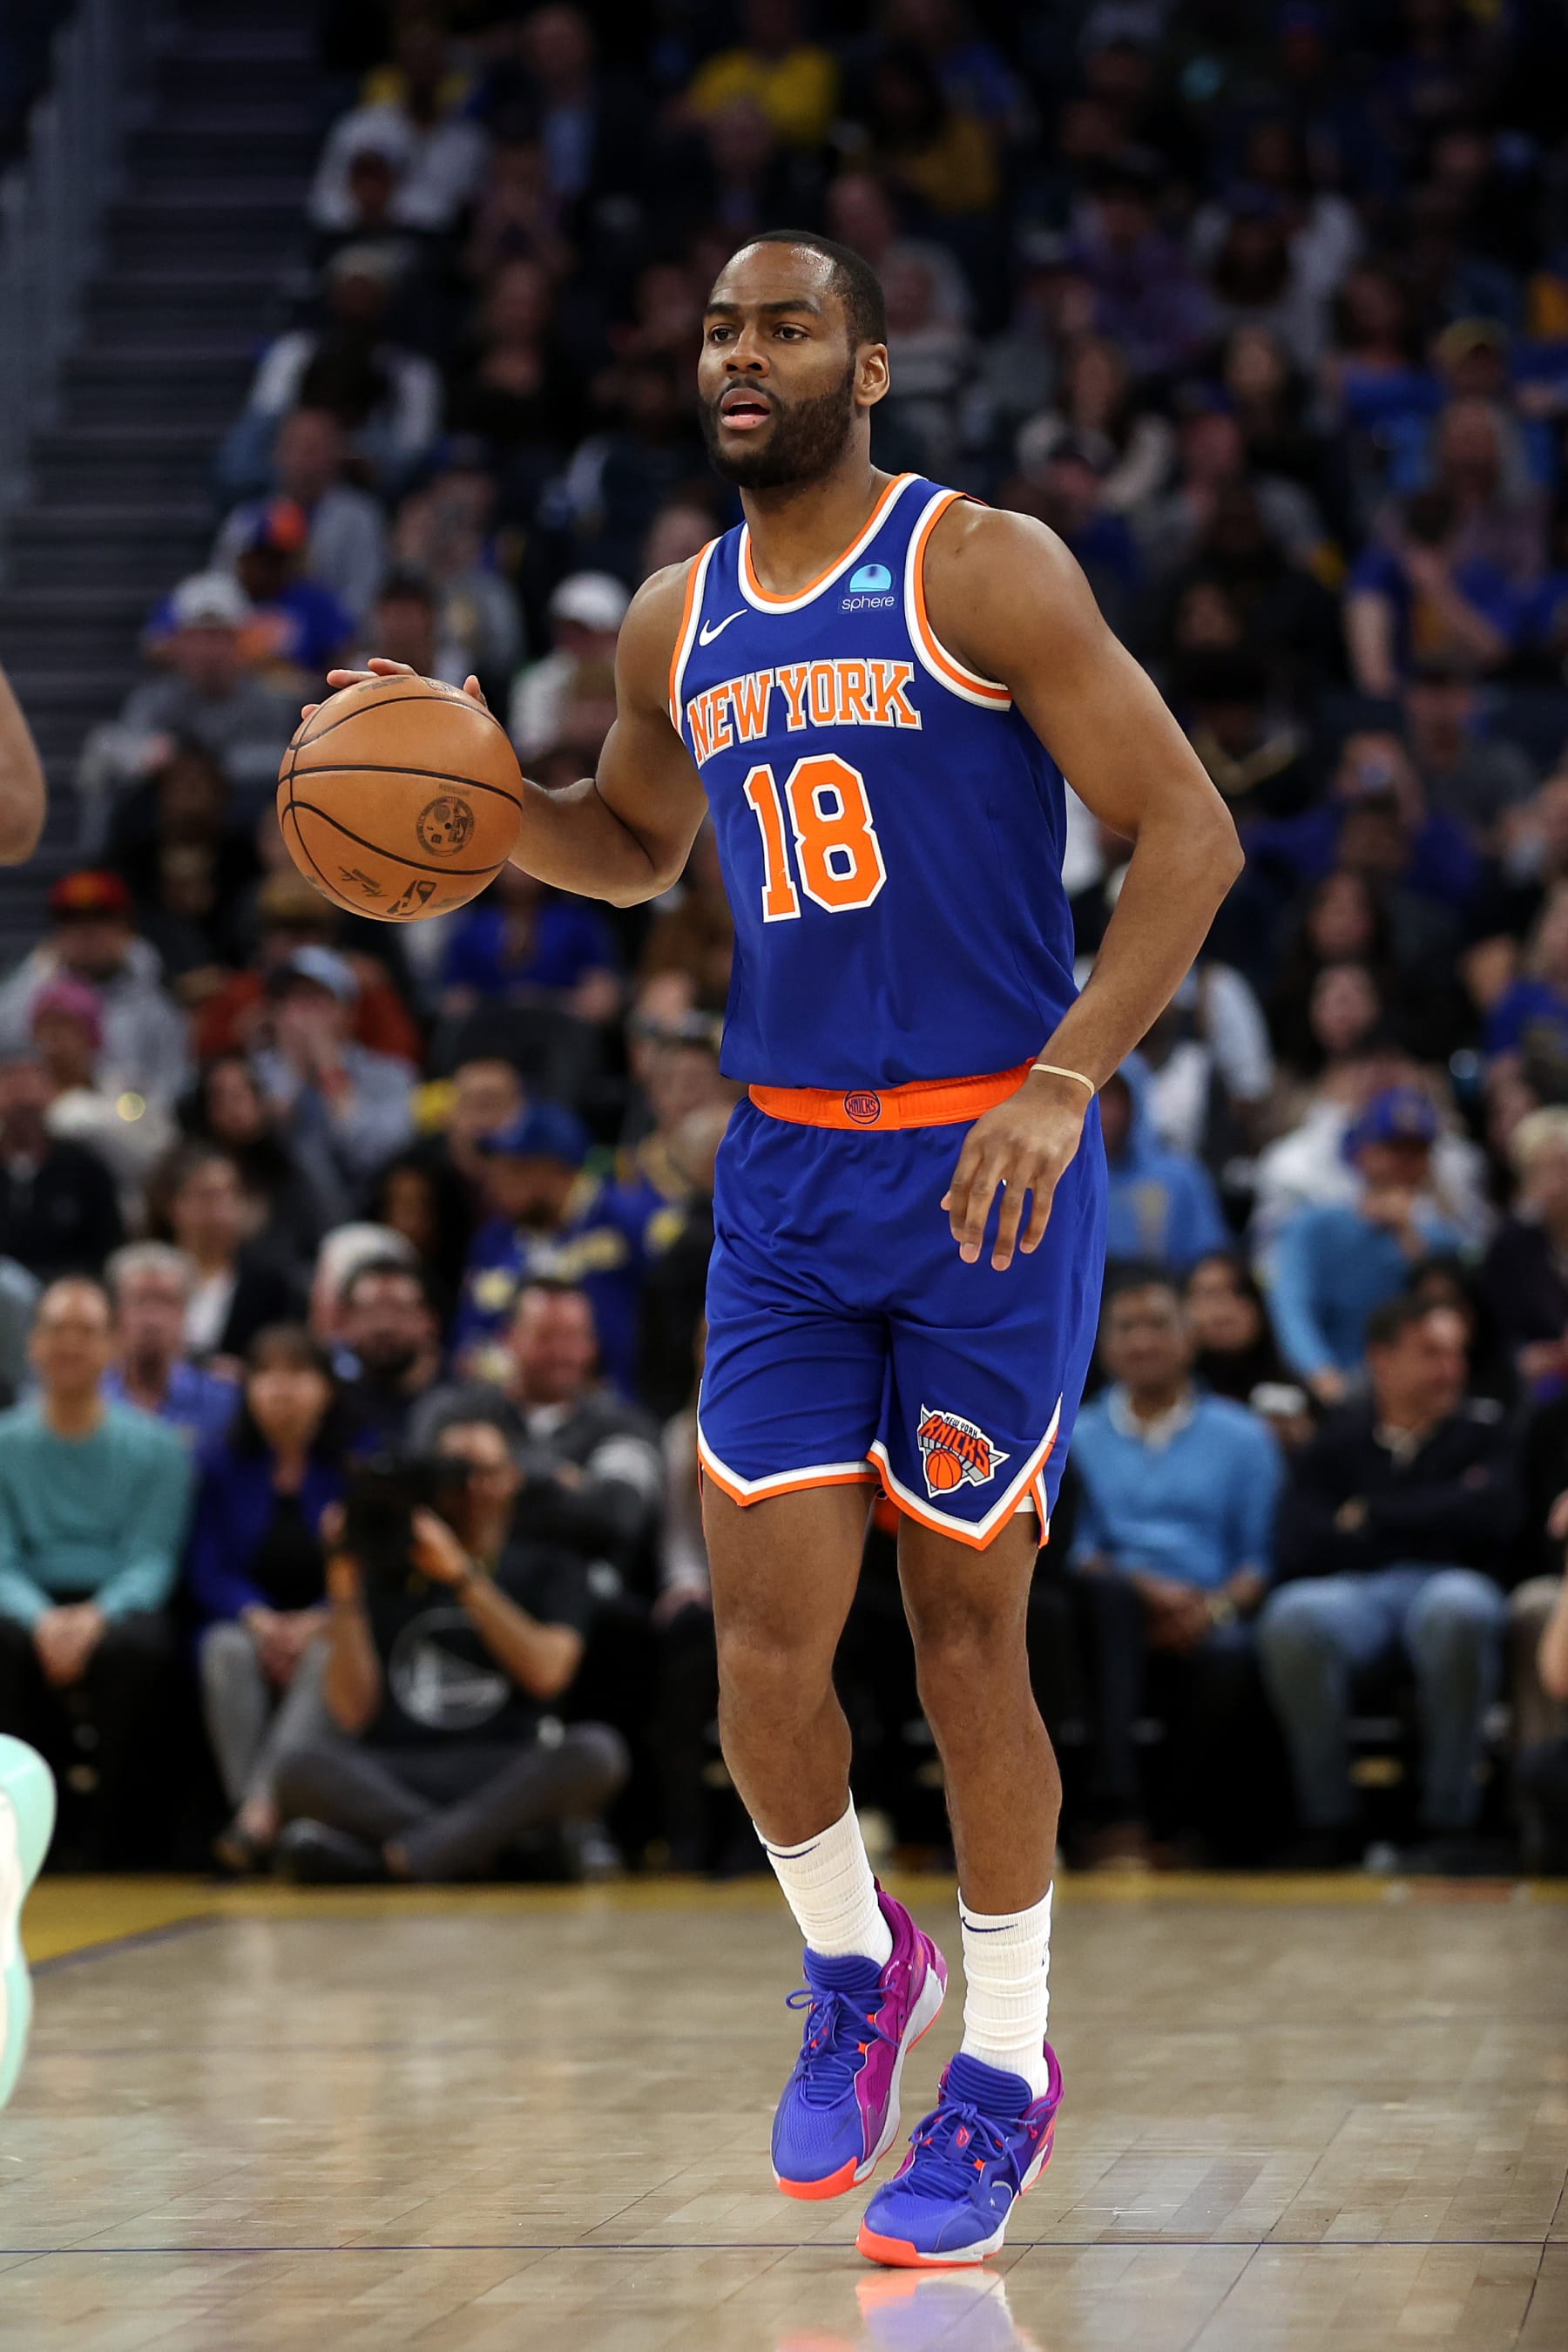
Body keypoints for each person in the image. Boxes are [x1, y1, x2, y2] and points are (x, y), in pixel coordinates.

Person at [312, 228, 1240, 2267]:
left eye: (788, 326)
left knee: (966, 1637)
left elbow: (1191, 832)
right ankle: (855, 1958)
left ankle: (1006, 2064)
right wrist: (472, 796)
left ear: (870, 365)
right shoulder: (676, 615)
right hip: (792, 1180)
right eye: (722, 328)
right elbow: (633, 844)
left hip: (991, 1165)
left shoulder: (982, 568)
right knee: (757, 1645)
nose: (744, 355)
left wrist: (1066, 1078)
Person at [273, 1415, 627, 1882]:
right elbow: (352, 1712)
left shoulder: (551, 1562)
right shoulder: (387, 1557)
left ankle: (388, 1860)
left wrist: (463, 1577)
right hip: (399, 1767)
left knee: (597, 1752)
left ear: (513, 1478)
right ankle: (486, 1854)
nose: (470, 1488)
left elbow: (547, 1673)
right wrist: (345, 1590)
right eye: (455, 1473)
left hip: (505, 1767)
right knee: (297, 1768)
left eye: (485, 1472)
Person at [1257, 1296, 1516, 1869]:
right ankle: (1329, 1820)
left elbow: (1496, 1521)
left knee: (1458, 1609)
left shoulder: (1486, 1432)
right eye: (1432, 1353)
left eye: (1457, 1354)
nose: (1451, 1369)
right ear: (1382, 1358)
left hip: (1452, 1582)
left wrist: (1371, 1513)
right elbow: (1300, 1540)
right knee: (1293, 1615)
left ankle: (1450, 1820)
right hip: (1359, 1592)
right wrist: (1441, 1508)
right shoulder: (1339, 1437)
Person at [1068, 1273, 1283, 1867]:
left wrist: (1208, 1609)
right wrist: (1145, 1591)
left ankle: (1178, 1827)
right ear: (1103, 1345)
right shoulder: (1075, 1436)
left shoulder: (1245, 1437)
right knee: (1105, 1606)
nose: (1143, 1342)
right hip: (1110, 1603)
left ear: (1190, 1336)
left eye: (1159, 1325)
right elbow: (1074, 1549)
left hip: (1210, 1607)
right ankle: (1115, 1812)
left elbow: (1259, 1558)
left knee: (1230, 1655)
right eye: (1126, 1328)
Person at [0, 1279, 193, 1866]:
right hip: (27, 1597)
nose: (70, 1344)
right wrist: (42, 1620)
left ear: (111, 1346)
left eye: (86, 1331)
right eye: (57, 1329)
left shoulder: (159, 1448)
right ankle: (26, 1830)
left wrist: (95, 1618)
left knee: (139, 1651)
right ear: (33, 1344)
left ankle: (118, 1837)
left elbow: (153, 1557)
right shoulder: (5, 1444)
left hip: (117, 1601)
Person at [188, 1327, 346, 1872]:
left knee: (329, 1655)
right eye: (267, 1374)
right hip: (244, 1621)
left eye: (298, 1373)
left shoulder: (354, 1465)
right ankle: (261, 1814)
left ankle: (254, 1821)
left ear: (326, 1389)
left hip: (332, 1624)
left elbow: (371, 1566)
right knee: (224, 1650)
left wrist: (318, 1618)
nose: (282, 1389)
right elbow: (206, 1567)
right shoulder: (219, 1463)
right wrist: (258, 1619)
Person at [1266, 1085, 1470, 1403]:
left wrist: (1409, 1236)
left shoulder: (1442, 1240)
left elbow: (1449, 1318)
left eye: (1417, 1151)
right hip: (1333, 1387)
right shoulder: (1314, 1225)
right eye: (1393, 1149)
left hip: (1419, 1391)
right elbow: (1291, 1305)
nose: (1405, 1162)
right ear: (1364, 1153)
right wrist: (1323, 1376)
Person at [0, 869, 192, 1112]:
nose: (87, 932)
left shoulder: (156, 1005)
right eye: (72, 920)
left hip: (133, 1125)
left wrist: (121, 1114)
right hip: (43, 1123)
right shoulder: (22, 997)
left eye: (101, 918)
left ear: (126, 927)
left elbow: (174, 1083)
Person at [158, 1143, 295, 1365]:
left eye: (231, 1195)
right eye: (207, 1196)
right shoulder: (145, 1276)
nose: (221, 1209)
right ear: (173, 1204)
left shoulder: (269, 1285)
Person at [0, 1051, 123, 1281]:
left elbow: (107, 1248)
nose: (23, 1101)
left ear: (51, 1093)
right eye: (12, 1089)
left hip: (71, 1289)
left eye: (30, 1089)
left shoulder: (85, 1168)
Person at [103, 1243, 239, 1450]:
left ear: (185, 1312)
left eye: (166, 1301)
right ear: (117, 1313)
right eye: (140, 1301)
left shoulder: (223, 1401)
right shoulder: (90, 1398)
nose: (152, 1319)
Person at [335, 1255, 445, 1455]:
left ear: (431, 1321)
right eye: (370, 1312)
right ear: (345, 1323)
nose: (384, 1326)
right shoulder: (332, 1404)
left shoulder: (466, 1404)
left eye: (399, 1311)